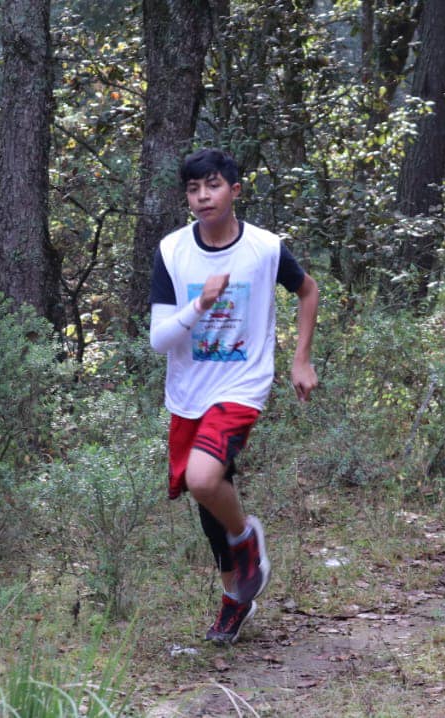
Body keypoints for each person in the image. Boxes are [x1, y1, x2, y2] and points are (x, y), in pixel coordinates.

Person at [148, 148, 319, 645]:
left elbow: (307, 291)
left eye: (214, 186)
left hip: (242, 386)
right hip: (187, 393)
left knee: (204, 480)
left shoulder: (264, 249)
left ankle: (246, 538)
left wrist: (300, 359)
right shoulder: (173, 251)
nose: (203, 197)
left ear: (235, 191)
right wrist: (200, 304)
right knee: (207, 505)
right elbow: (160, 339)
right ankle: (235, 600)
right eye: (194, 189)